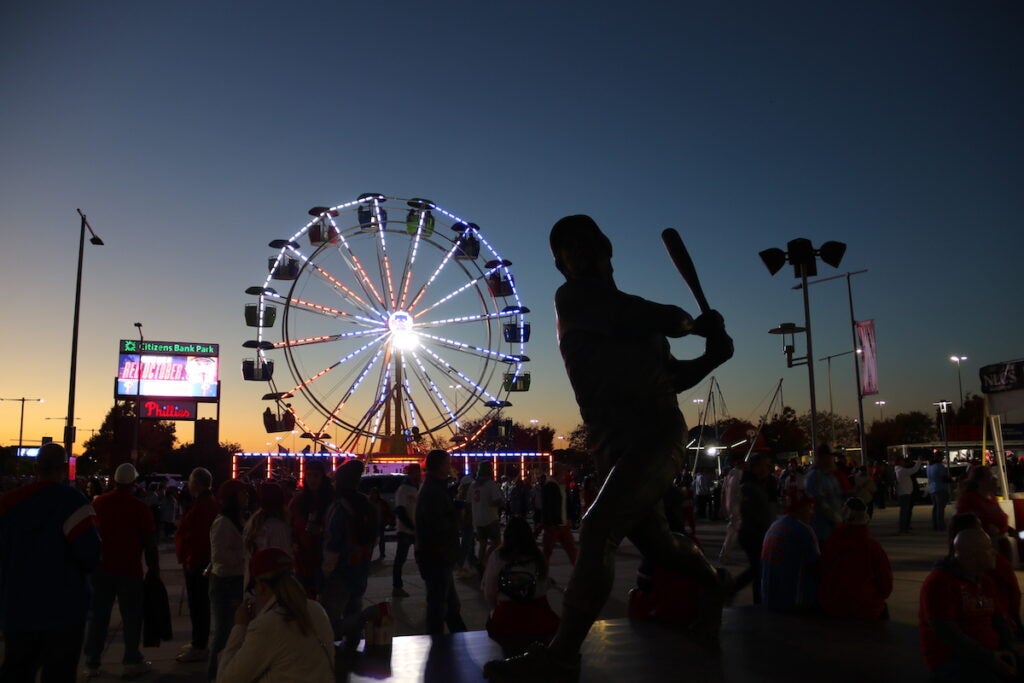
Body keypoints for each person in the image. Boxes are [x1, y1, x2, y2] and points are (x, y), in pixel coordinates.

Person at [485, 215, 733, 680]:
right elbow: (645, 314)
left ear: (606, 249)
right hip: (611, 443)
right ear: (561, 266)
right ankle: (713, 581)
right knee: (657, 545)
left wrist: (710, 357)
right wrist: (697, 326)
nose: (577, 255)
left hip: (657, 432)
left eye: (584, 244)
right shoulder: (577, 299)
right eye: (566, 251)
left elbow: (673, 378)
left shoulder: (642, 322)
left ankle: (561, 656)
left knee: (598, 528)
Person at [0, 443, 101, 682]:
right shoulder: (74, 504)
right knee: (59, 673)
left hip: (17, 607)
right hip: (63, 609)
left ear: (35, 467)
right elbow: (90, 555)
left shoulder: (8, 503)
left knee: (16, 670)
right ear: (65, 468)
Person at [82, 463, 159, 679]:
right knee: (132, 616)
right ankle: (131, 658)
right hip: (129, 569)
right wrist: (154, 568)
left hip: (102, 568)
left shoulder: (99, 503)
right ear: (134, 483)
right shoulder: (140, 508)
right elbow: (149, 542)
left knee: (99, 616)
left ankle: (92, 661)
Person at [217, 547, 334, 682]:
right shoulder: (317, 610)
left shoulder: (268, 624)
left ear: (260, 586)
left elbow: (226, 679)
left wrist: (240, 627)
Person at [919, 527, 1018, 682]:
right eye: (988, 548)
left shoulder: (985, 580)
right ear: (972, 555)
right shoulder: (939, 583)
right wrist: (989, 658)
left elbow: (1000, 620)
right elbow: (949, 634)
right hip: (952, 658)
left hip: (989, 652)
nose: (994, 552)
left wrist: (1008, 649)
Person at [482, 516, 560, 652]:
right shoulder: (538, 555)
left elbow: (489, 592)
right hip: (539, 617)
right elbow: (542, 586)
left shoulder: (498, 556)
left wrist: (495, 609)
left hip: (507, 617)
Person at [320, 459, 375, 647]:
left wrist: (325, 571)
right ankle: (353, 655)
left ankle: (331, 660)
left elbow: (333, 542)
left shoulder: (339, 507)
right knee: (354, 611)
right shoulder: (366, 504)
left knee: (328, 622)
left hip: (341, 570)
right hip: (360, 567)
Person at [415, 449, 468, 635]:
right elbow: (438, 525)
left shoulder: (435, 488)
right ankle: (439, 642)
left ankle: (459, 635)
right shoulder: (433, 491)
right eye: (447, 463)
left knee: (449, 603)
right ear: (439, 466)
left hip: (438, 554)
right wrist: (456, 514)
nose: (450, 466)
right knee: (439, 604)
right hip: (437, 555)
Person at [818, 497, 893, 619]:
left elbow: (822, 568)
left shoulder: (832, 541)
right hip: (863, 605)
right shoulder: (872, 547)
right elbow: (885, 584)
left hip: (832, 603)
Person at [175, 467, 220, 663]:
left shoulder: (203, 506)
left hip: (197, 563)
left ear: (198, 484)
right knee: (198, 606)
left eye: (190, 481)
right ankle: (198, 642)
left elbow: (200, 537)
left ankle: (199, 645)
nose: (188, 484)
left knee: (198, 606)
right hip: (196, 560)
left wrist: (192, 561)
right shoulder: (206, 503)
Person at [207, 479, 248, 681]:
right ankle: (214, 674)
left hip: (234, 579)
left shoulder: (236, 519)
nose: (246, 497)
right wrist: (244, 556)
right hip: (225, 581)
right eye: (242, 493)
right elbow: (219, 555)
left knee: (231, 632)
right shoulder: (223, 523)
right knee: (224, 633)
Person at [760, 489, 820, 611]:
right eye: (809, 507)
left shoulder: (775, 525)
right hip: (791, 601)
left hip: (768, 597)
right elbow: (817, 565)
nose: (812, 512)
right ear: (800, 509)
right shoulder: (804, 530)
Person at [732, 453, 777, 604]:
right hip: (753, 533)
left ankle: (737, 591)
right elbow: (750, 511)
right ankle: (732, 589)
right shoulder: (749, 486)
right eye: (764, 465)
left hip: (757, 532)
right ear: (756, 467)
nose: (767, 469)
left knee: (758, 569)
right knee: (758, 569)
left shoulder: (759, 484)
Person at [287, 459, 333, 597]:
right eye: (309, 475)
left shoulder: (330, 500)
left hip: (324, 556)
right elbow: (290, 525)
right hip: (302, 557)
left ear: (322, 477)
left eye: (316, 475)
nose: (312, 479)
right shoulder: (298, 501)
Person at [956, 466, 1012, 560]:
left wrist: (1010, 530)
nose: (994, 479)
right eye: (990, 476)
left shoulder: (991, 498)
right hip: (983, 549)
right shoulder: (969, 499)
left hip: (1000, 544)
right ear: (980, 481)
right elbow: (964, 523)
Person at [243, 481, 292, 586]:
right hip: (272, 584)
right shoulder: (277, 527)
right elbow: (283, 558)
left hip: (253, 580)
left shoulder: (253, 522)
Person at [392, 463, 421, 598]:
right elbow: (400, 510)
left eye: (418, 472)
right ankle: (397, 587)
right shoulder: (403, 490)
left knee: (421, 557)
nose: (418, 475)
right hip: (405, 530)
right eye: (415, 472)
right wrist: (411, 526)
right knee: (400, 559)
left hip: (415, 530)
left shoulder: (418, 488)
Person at [541, 462, 578, 566]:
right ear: (558, 473)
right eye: (563, 472)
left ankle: (577, 572)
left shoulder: (560, 486)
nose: (564, 475)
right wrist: (550, 523)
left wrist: (569, 517)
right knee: (549, 551)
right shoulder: (551, 486)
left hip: (561, 523)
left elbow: (566, 504)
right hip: (555, 524)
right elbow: (548, 506)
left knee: (570, 549)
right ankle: (542, 574)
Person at [803, 444, 842, 543]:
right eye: (831, 456)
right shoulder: (814, 476)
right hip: (821, 530)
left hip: (833, 530)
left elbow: (836, 496)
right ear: (823, 457)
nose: (833, 459)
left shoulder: (830, 476)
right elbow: (818, 500)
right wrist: (834, 518)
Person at [470, 463, 505, 569]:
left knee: (482, 544)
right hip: (490, 518)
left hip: (477, 518)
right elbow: (497, 501)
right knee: (497, 542)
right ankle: (487, 560)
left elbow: (468, 501)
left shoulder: (473, 485)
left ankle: (480, 562)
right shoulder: (490, 484)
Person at [718, 460, 746, 564]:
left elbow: (723, 492)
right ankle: (725, 555)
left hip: (729, 506)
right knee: (733, 531)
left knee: (732, 529)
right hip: (736, 506)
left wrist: (722, 507)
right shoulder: (740, 475)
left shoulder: (728, 475)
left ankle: (725, 554)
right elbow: (742, 492)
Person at [894, 456, 926, 535]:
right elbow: (913, 470)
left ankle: (903, 528)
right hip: (905, 493)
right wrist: (919, 462)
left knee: (904, 512)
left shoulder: (898, 470)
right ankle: (903, 529)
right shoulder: (901, 470)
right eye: (902, 461)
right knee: (904, 512)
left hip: (904, 492)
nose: (904, 462)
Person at [367, 487, 393, 560]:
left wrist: (387, 520)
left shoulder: (382, 502)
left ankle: (382, 553)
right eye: (373, 494)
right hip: (372, 524)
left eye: (375, 494)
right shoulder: (369, 503)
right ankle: (369, 554)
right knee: (372, 540)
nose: (374, 495)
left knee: (381, 539)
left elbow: (388, 511)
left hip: (380, 523)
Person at [927, 455, 952, 532]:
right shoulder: (940, 467)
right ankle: (940, 526)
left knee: (935, 508)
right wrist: (951, 479)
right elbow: (944, 478)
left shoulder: (929, 467)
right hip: (940, 488)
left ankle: (935, 525)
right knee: (940, 509)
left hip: (932, 489)